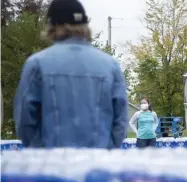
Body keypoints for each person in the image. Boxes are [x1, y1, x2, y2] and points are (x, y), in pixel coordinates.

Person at [13, 0, 128, 148]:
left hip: (51, 164)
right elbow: (121, 120)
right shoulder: (111, 66)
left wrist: (41, 153)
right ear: (85, 25)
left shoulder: (36, 64)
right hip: (98, 163)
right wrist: (106, 151)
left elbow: (25, 121)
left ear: (52, 25)